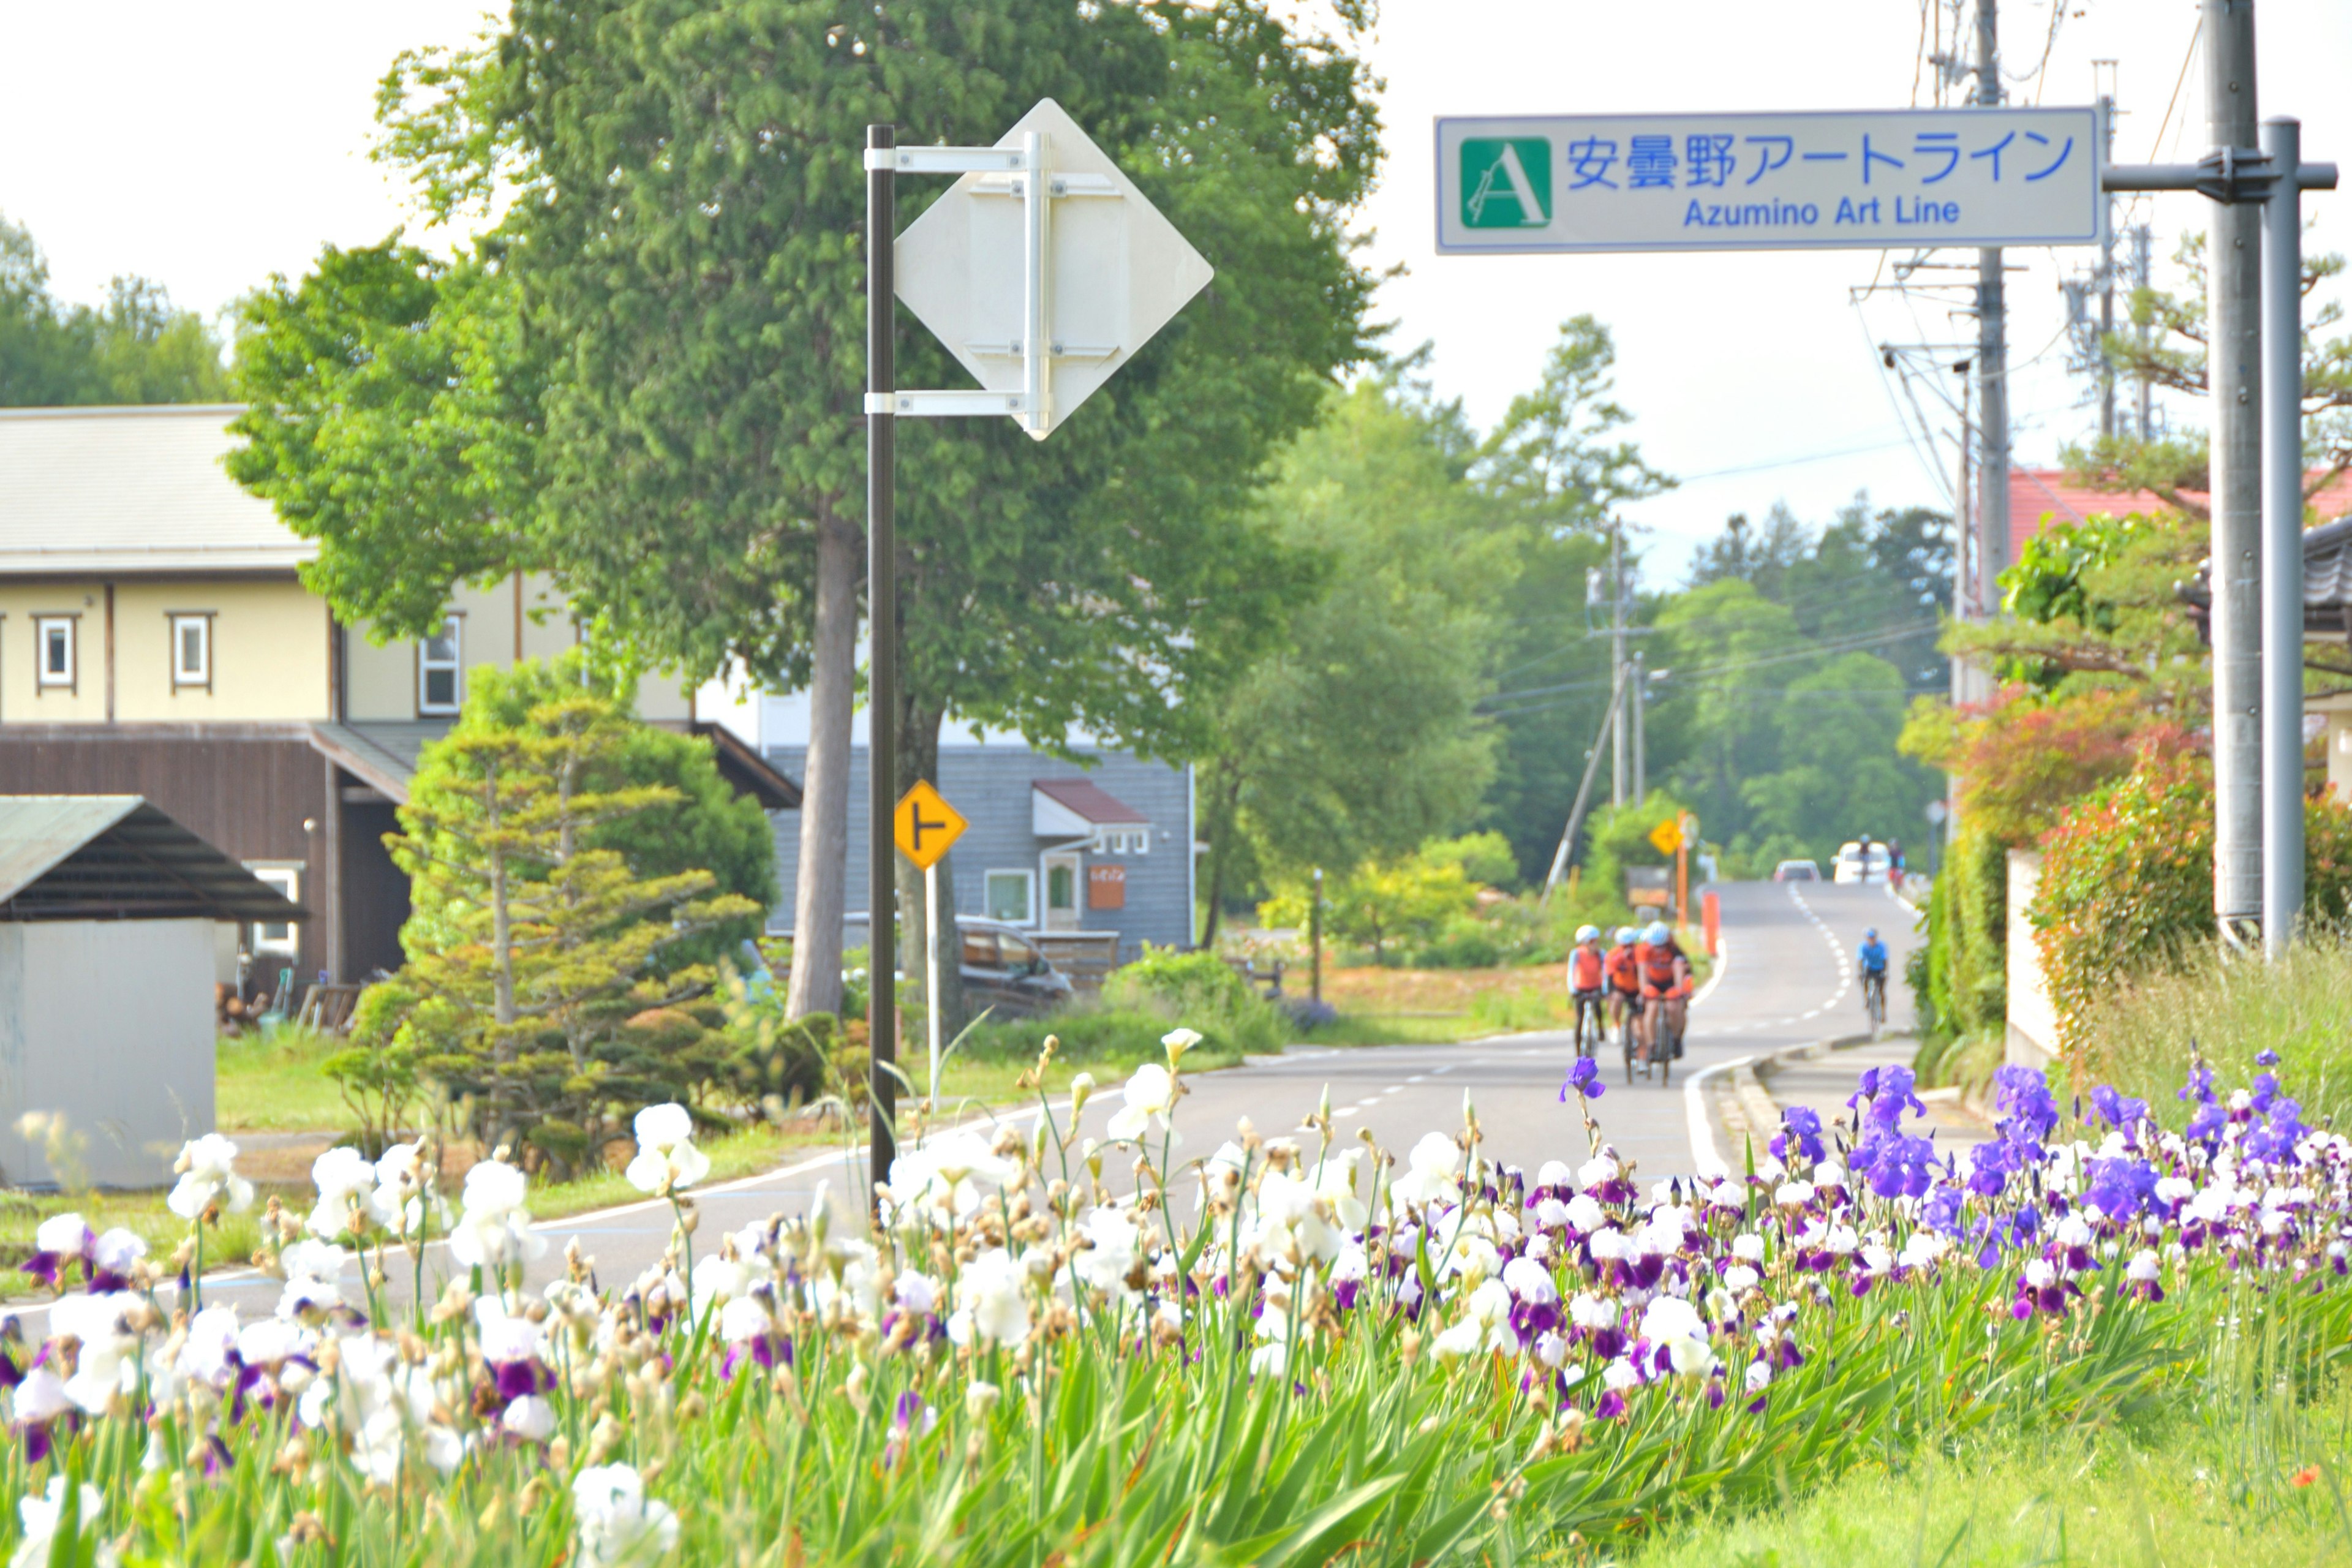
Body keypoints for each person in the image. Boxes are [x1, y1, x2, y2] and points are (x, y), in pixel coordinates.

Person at [1637, 919, 1691, 1068]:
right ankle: (1651, 1045)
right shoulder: (1644, 949)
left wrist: (1680, 991)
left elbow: (1679, 970)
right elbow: (1642, 972)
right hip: (1653, 982)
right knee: (1652, 1008)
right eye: (1656, 947)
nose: (1659, 950)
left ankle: (1676, 1039)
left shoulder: (1674, 949)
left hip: (1670, 982)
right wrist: (1643, 991)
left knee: (1674, 1007)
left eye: (1662, 947)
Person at [1567, 925, 1608, 1057]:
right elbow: (1571, 972)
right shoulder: (1576, 954)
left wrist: (1605, 989)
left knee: (1597, 1006)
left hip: (1596, 986)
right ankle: (1579, 1051)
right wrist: (1572, 989)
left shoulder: (1601, 954)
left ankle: (1601, 1026)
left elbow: (1606, 972)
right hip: (1580, 987)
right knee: (1580, 1018)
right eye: (1593, 941)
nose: (1596, 944)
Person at [1604, 925, 1643, 1044]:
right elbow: (1609, 974)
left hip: (1637, 988)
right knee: (1616, 999)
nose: (1628, 949)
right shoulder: (1613, 954)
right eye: (1624, 946)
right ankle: (1616, 1025)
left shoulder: (1640, 953)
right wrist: (1609, 993)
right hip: (1620, 987)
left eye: (1630, 945)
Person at [1857, 926, 1889, 1017]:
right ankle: (1867, 999)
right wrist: (1860, 972)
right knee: (1865, 981)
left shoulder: (1882, 946)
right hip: (1869, 969)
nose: (1871, 939)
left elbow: (1885, 959)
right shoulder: (1863, 947)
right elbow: (1860, 960)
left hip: (1880, 968)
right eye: (1869, 937)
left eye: (1873, 937)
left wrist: (1885, 972)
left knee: (1881, 991)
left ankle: (1883, 1013)